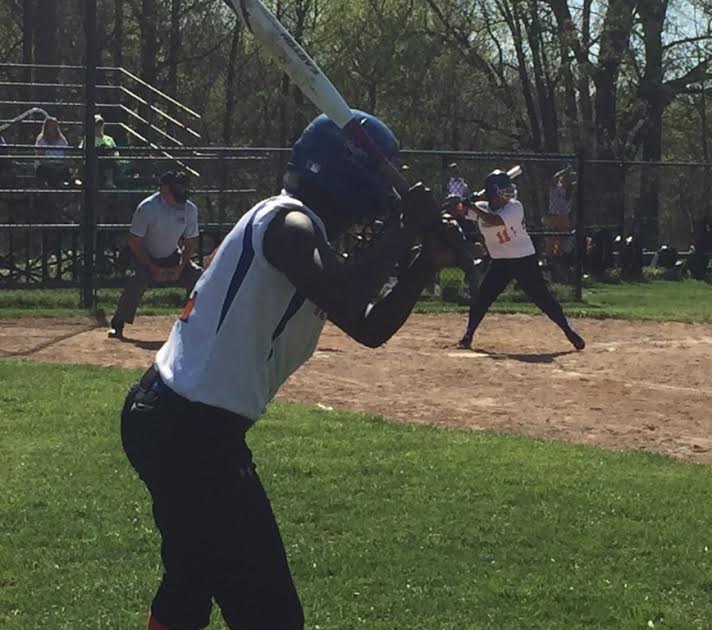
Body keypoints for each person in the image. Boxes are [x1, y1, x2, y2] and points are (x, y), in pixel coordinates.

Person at [120, 110, 459, 629]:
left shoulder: (310, 241)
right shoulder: (288, 222)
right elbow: (347, 294)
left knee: (190, 581)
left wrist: (423, 262)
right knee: (271, 615)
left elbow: (367, 326)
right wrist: (405, 229)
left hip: (173, 419)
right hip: (193, 430)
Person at [447, 169, 585, 351]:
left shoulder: (514, 207)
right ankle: (468, 335)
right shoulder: (482, 207)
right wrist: (457, 202)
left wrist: (471, 207)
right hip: (500, 262)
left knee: (543, 298)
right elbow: (457, 211)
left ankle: (568, 331)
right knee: (482, 298)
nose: (508, 193)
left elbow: (494, 220)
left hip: (523, 260)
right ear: (493, 192)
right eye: (503, 190)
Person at [107, 171, 203, 339]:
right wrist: (152, 267)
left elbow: (190, 241)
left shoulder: (189, 209)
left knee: (199, 277)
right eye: (177, 188)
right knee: (137, 279)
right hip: (143, 256)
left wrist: (180, 266)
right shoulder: (148, 207)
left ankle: (196, 322)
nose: (181, 192)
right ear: (164, 189)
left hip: (172, 256)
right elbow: (134, 241)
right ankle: (118, 323)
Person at [80, 113, 119, 187]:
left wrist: (114, 155)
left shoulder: (109, 139)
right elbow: (82, 152)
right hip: (93, 162)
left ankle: (109, 181)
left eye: (100, 125)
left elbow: (116, 152)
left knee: (107, 155)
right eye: (96, 125)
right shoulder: (87, 139)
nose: (99, 127)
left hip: (108, 160)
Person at [543, 167, 575, 256]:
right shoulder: (555, 188)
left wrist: (570, 175)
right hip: (553, 216)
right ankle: (550, 258)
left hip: (564, 217)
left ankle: (562, 258)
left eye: (568, 178)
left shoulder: (570, 190)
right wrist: (564, 171)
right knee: (551, 240)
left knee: (563, 241)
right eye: (565, 178)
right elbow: (554, 178)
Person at [35, 116, 70, 187]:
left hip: (60, 165)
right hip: (46, 166)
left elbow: (66, 156)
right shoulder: (41, 140)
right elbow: (41, 158)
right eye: (50, 126)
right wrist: (51, 166)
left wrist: (62, 166)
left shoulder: (62, 140)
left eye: (54, 126)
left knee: (65, 172)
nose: (52, 128)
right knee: (48, 172)